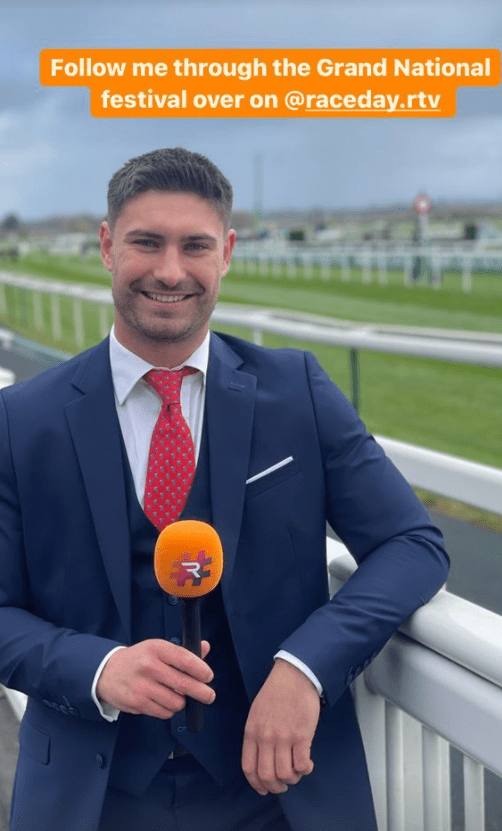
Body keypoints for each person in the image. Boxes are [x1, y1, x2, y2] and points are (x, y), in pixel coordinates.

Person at [0, 147, 449, 831]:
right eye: (146, 242)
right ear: (105, 245)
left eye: (195, 245)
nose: (171, 270)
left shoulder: (298, 389)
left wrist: (306, 666)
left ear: (228, 251)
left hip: (280, 797)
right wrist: (97, 668)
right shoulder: (21, 421)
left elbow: (413, 543)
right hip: (89, 803)